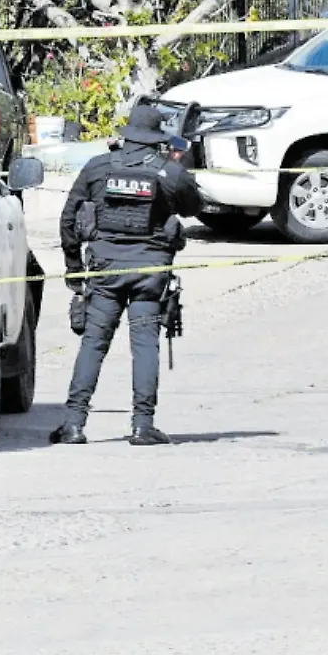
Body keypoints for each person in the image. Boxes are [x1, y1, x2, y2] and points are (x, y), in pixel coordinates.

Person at [52, 103, 201, 446]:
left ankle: (74, 424)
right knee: (145, 345)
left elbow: (68, 220)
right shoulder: (168, 172)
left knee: (93, 343)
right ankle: (142, 425)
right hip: (150, 273)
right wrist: (177, 170)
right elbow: (194, 207)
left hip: (105, 271)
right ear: (156, 139)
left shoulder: (98, 167)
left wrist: (74, 269)